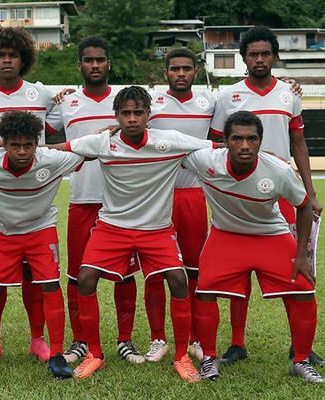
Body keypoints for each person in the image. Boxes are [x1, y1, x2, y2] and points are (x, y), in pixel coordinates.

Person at [48, 86, 217, 381]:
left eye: (138, 112)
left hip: (157, 229)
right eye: (125, 113)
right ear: (116, 116)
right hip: (112, 227)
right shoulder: (103, 142)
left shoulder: (171, 141)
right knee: (85, 279)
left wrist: (273, 158)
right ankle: (95, 354)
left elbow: (217, 149)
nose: (132, 118)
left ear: (149, 115)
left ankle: (180, 356)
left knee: (178, 280)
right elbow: (54, 150)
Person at [208, 26, 325, 366]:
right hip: (241, 192)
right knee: (237, 272)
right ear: (243, 59)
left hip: (283, 191)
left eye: (265, 53)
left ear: (274, 56)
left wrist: (310, 190)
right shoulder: (227, 96)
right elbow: (217, 142)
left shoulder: (289, 94)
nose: (259, 59)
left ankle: (300, 347)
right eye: (252, 54)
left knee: (296, 266)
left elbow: (298, 143)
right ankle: (237, 343)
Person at [183, 111, 324, 384]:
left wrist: (301, 255)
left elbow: (304, 206)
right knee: (204, 291)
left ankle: (301, 361)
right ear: (225, 141)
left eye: (252, 139)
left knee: (304, 290)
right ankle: (209, 358)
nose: (245, 145)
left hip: (270, 235)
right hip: (226, 235)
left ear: (260, 141)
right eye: (237, 138)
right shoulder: (205, 161)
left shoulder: (278, 170)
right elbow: (168, 143)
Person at [46, 36, 142, 364]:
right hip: (82, 200)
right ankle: (80, 340)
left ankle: (125, 340)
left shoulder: (126, 101)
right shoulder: (66, 103)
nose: (95, 65)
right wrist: (54, 96)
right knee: (76, 275)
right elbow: (41, 130)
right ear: (80, 65)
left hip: (122, 203)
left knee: (125, 276)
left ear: (109, 63)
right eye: (89, 60)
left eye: (100, 60)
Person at [0, 111, 82, 379]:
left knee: (50, 286)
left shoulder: (52, 160)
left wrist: (112, 129)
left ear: (36, 144)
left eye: (28, 145)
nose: (21, 152)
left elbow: (89, 148)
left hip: (40, 231)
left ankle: (57, 354)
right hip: (1, 232)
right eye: (14, 145)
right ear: (3, 144)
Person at [0, 26, 60, 361]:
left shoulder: (43, 96)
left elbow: (55, 135)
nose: (7, 60)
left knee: (35, 276)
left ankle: (38, 338)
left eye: (13, 55)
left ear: (24, 59)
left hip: (34, 194)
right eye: (1, 55)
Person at [142, 48, 216, 362]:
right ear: (166, 73)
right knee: (156, 272)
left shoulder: (209, 103)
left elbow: (220, 143)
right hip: (157, 198)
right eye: (175, 68)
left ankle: (196, 338)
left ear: (195, 72)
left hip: (193, 197)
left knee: (195, 271)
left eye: (187, 68)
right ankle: (158, 338)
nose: (181, 73)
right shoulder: (152, 103)